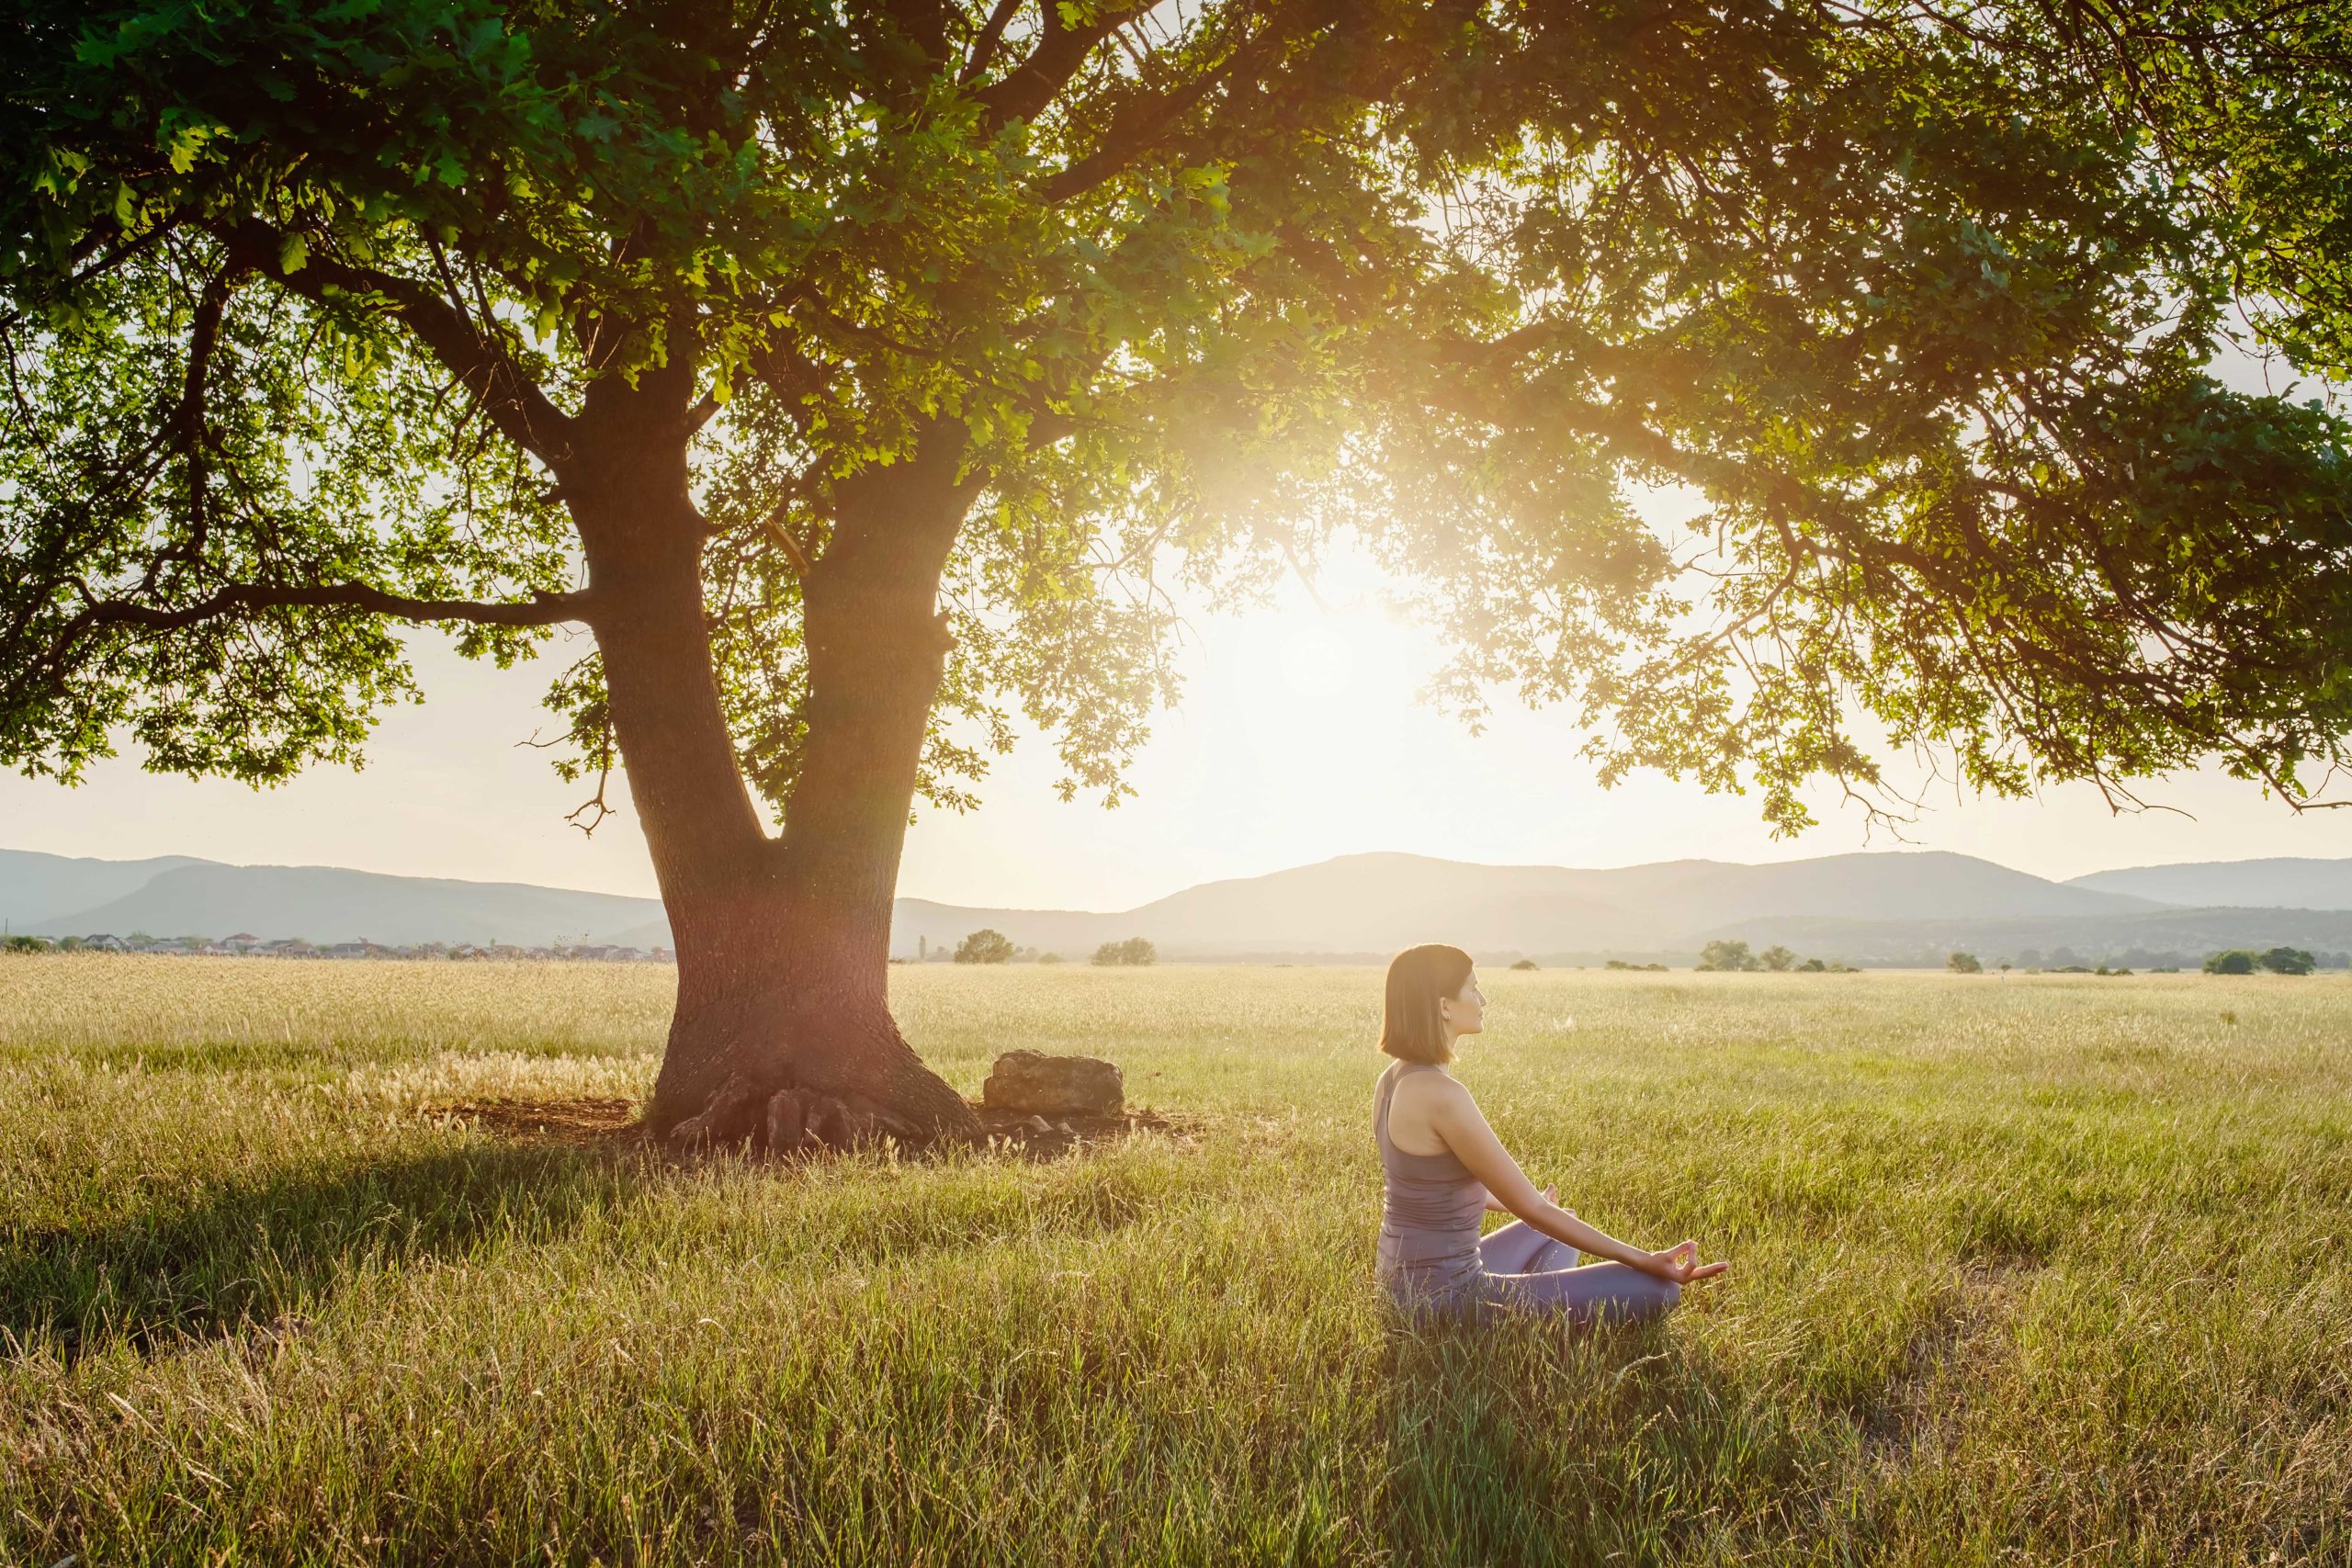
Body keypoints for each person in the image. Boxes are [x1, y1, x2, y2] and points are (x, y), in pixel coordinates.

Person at [1373, 942, 1729, 1325]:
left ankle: (1530, 1313)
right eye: (1473, 989)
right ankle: (1526, 1318)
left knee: (1560, 1224)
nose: (1483, 999)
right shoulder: (1444, 1096)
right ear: (1444, 1006)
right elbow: (1536, 1211)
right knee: (1661, 1290)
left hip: (1402, 1284)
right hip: (1446, 1300)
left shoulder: (1392, 1079)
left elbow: (1432, 1184)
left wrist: (1522, 1204)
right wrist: (1644, 1258)